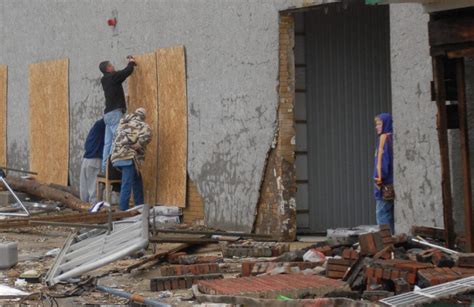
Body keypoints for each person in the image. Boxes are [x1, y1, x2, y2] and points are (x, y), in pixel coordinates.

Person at [99, 56, 137, 172]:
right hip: (115, 114)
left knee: (108, 143)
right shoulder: (113, 77)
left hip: (107, 115)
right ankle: (113, 166)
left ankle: (105, 168)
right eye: (111, 65)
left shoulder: (104, 79)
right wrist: (131, 63)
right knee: (117, 140)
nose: (113, 66)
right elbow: (126, 72)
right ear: (108, 68)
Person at [110, 107, 151, 211]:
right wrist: (139, 144)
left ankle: (139, 206)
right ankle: (122, 210)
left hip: (115, 157)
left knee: (137, 179)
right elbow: (148, 135)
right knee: (127, 183)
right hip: (127, 156)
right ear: (143, 117)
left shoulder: (123, 123)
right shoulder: (142, 125)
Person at [374, 113, 394, 234]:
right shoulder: (392, 137)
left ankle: (387, 244)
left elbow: (381, 163)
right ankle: (393, 242)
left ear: (386, 124)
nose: (377, 127)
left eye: (379, 124)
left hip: (384, 185)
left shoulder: (384, 139)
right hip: (392, 184)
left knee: (382, 215)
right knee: (390, 216)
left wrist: (378, 180)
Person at [79, 118, 105, 204]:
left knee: (84, 189)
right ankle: (94, 212)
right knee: (94, 190)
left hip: (86, 160)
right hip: (95, 160)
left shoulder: (95, 128)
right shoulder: (104, 127)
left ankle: (83, 209)